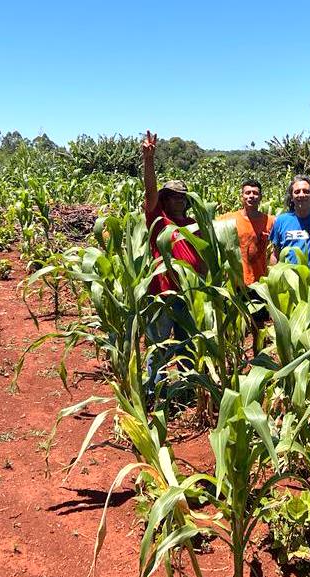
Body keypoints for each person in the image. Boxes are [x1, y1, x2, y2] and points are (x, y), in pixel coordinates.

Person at [141, 130, 202, 396]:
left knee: (187, 344)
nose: (177, 199)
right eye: (172, 195)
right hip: (163, 295)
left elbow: (204, 258)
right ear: (164, 199)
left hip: (189, 295)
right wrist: (149, 160)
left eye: (181, 196)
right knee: (159, 346)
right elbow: (150, 191)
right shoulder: (158, 219)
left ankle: (186, 391)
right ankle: (154, 391)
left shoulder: (195, 224)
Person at [217, 179, 274, 325]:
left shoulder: (270, 221)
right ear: (242, 196)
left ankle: (257, 348)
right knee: (232, 324)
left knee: (258, 324)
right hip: (234, 282)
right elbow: (209, 231)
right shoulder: (227, 219)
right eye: (247, 193)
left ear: (261, 197)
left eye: (255, 193)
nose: (251, 196)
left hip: (258, 283)